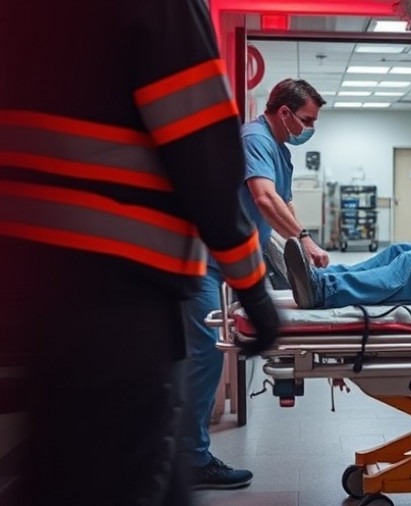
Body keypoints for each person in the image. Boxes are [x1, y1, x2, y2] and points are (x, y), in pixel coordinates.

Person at [0, 1, 280, 505]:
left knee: (73, 468)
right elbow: (205, 153)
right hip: (121, 288)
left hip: (34, 283)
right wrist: (253, 287)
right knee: (127, 475)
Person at [180, 78, 328, 489]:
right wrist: (305, 239)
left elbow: (283, 201)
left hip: (232, 264)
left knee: (203, 356)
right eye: (307, 120)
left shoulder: (279, 149)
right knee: (205, 355)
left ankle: (181, 452)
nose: (310, 128)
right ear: (285, 113)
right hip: (205, 262)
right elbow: (263, 198)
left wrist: (298, 247)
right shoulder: (254, 139)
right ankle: (191, 460)